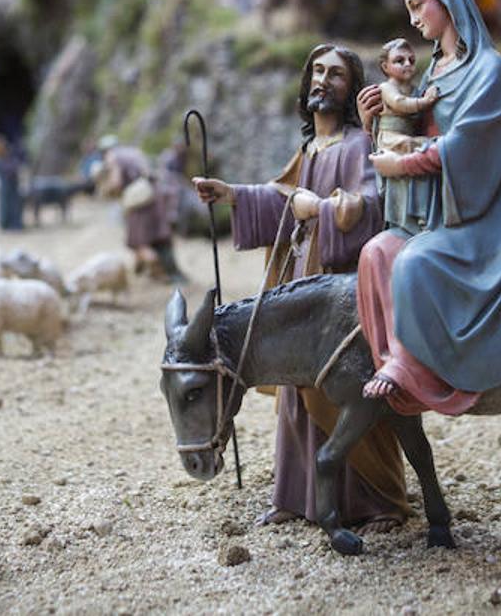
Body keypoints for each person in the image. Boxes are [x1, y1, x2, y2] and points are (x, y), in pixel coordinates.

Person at [192, 44, 407, 534]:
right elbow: (281, 196)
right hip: (300, 280)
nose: (322, 80)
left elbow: (372, 206)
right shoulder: (310, 149)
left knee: (344, 389)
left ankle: (377, 501)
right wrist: (232, 195)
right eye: (317, 70)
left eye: (335, 74)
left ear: (350, 88)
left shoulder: (357, 145)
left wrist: (328, 209)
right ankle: (295, 494)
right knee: (294, 390)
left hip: (338, 292)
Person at [356, 0, 501, 416]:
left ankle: (413, 366)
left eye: (417, 6)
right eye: (408, 10)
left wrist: (406, 160)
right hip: (435, 213)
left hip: (482, 219)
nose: (413, 21)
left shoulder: (489, 71)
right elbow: (411, 129)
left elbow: (467, 148)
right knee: (375, 253)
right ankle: (400, 362)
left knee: (414, 261)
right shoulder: (434, 73)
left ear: (447, 2)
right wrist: (373, 125)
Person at [98, 135, 185, 281]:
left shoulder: (112, 157)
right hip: (154, 194)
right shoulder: (134, 152)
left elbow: (116, 182)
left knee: (137, 242)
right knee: (157, 236)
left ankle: (159, 271)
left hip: (138, 200)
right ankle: (160, 271)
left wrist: (106, 189)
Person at [373, 38, 439, 155]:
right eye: (400, 61)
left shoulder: (414, 90)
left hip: (409, 134)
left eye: (411, 60)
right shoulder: (386, 87)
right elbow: (399, 103)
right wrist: (425, 101)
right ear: (385, 67)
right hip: (390, 137)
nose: (408, 64)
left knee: (427, 143)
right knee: (408, 143)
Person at [0, 136, 24, 231]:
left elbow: (16, 166)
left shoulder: (11, 155)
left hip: (13, 185)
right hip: (4, 186)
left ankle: (15, 224)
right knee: (4, 206)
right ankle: (4, 224)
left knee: (14, 206)